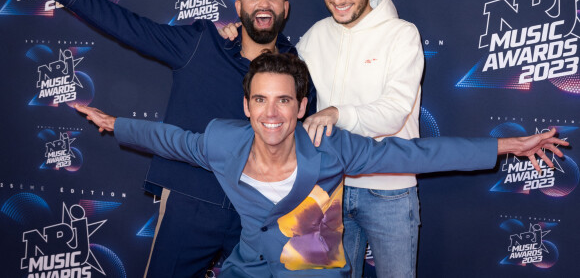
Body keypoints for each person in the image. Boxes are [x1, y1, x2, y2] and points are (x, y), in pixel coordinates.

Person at [74, 52, 566, 278]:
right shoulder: (224, 141)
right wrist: (114, 123)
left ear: (302, 106)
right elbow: (170, 139)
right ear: (246, 106)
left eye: (283, 101)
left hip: (310, 271)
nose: (271, 114)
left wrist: (506, 147)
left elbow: (419, 153)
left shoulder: (331, 150)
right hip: (247, 270)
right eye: (261, 101)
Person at [13, 0, 314, 277]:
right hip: (191, 199)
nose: (264, 3)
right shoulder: (202, 44)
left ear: (284, 8)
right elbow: (131, 27)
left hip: (260, 210)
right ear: (239, 6)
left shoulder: (297, 69)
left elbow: (311, 136)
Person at [219, 0, 424, 277]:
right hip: (329, 188)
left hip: (390, 189)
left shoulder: (402, 35)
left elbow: (395, 110)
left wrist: (337, 114)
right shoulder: (314, 37)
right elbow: (276, 72)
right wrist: (238, 33)